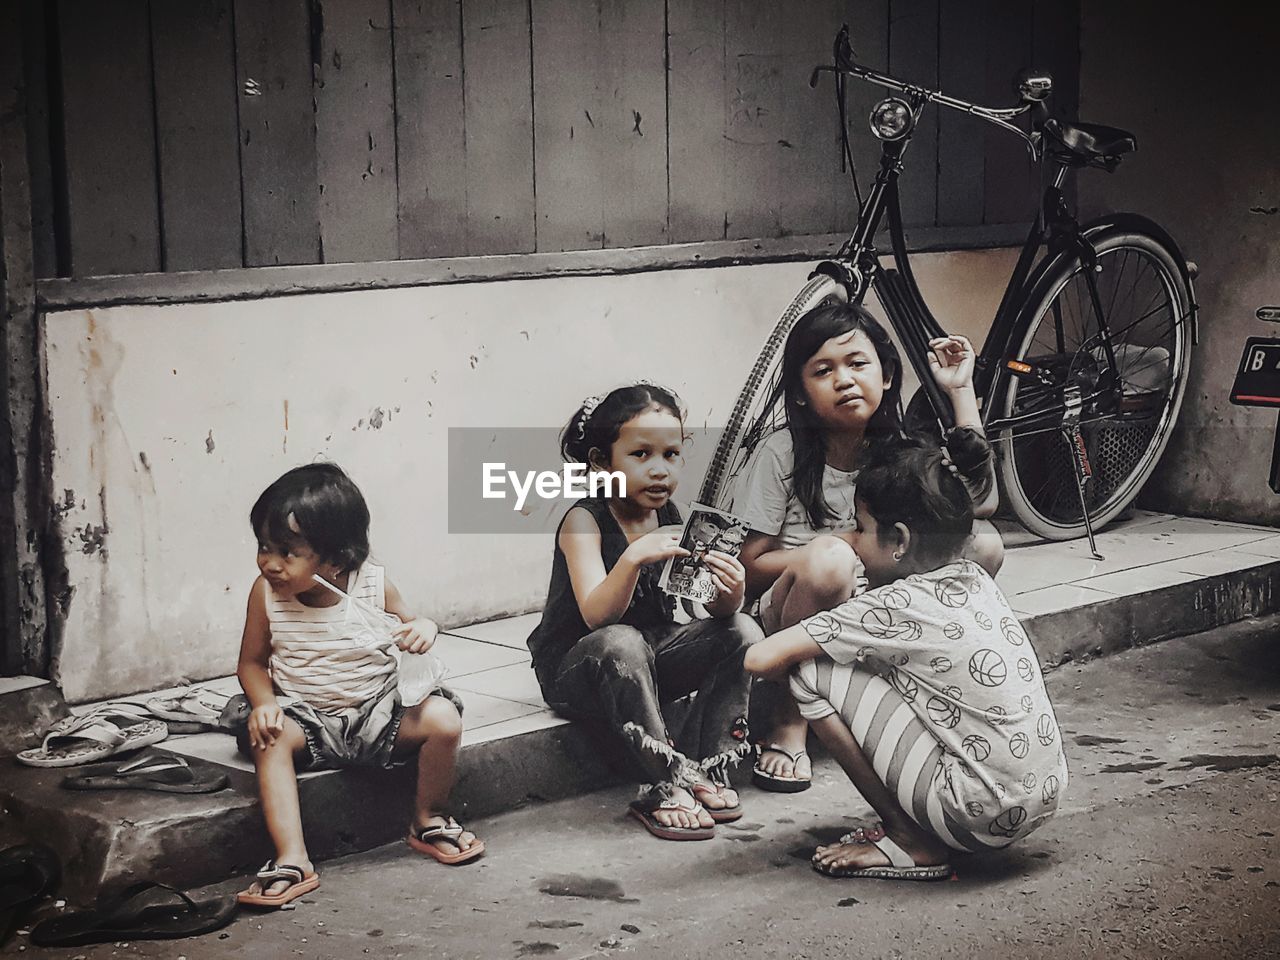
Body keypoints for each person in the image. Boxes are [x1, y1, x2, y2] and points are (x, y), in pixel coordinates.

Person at [744, 433, 1067, 879]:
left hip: (976, 814)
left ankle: (911, 840)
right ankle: (926, 822)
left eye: (859, 528)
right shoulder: (974, 576)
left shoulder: (891, 607)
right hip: (1040, 796)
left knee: (810, 673)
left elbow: (759, 659)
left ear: (899, 539)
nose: (852, 541)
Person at [735, 302, 1004, 792]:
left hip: (876, 606)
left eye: (858, 364)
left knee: (983, 546)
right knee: (831, 563)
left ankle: (934, 687)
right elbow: (750, 567)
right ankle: (790, 718)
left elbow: (980, 505)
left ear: (885, 377)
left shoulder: (899, 447)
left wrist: (961, 393)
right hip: (796, 607)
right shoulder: (781, 453)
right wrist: (841, 545)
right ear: (798, 394)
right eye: (823, 370)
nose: (844, 380)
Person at [234, 463, 482, 909]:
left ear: (335, 558)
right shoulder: (265, 593)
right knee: (268, 740)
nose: (270, 562)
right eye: (264, 547)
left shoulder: (371, 582)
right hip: (307, 720)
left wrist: (423, 629)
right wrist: (264, 704)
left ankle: (429, 818)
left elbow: (413, 622)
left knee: (443, 719)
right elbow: (251, 663)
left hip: (377, 716)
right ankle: (292, 858)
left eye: (288, 552)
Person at [526, 383, 762, 841]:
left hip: (645, 660)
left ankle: (709, 765)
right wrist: (633, 558)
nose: (659, 471)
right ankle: (663, 781)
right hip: (577, 669)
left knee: (742, 630)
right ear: (601, 462)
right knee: (622, 639)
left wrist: (729, 592)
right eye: (641, 455)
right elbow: (598, 617)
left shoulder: (669, 515)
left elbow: (701, 604)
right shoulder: (583, 521)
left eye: (671, 455)